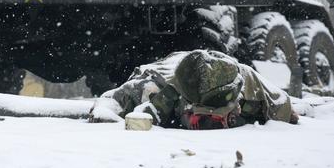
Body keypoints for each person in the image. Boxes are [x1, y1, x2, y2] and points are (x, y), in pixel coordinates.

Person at [90, 50, 298, 129]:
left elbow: (285, 108)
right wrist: (108, 115)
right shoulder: (156, 89)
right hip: (170, 63)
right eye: (199, 120)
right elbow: (110, 100)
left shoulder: (250, 82)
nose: (208, 125)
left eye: (220, 119)